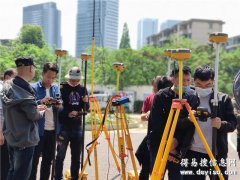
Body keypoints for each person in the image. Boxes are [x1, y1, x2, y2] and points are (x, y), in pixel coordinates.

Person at [182, 65, 237, 180]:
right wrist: (188, 120)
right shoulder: (188, 98)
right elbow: (177, 124)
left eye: (207, 85)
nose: (203, 88)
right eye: (199, 85)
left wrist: (221, 124)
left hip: (216, 152)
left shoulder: (223, 99)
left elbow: (233, 124)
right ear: (193, 81)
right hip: (193, 152)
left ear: (213, 82)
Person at [147, 65, 198, 180]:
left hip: (178, 148)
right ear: (173, 79)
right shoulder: (161, 96)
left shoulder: (191, 98)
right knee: (156, 176)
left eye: (188, 80)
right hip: (159, 145)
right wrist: (168, 145)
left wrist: (176, 142)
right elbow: (156, 124)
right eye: (182, 80)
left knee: (177, 177)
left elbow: (190, 126)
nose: (185, 83)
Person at [0, 57, 46, 180]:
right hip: (25, 140)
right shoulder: (26, 91)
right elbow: (33, 115)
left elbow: (18, 106)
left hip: (11, 137)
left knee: (12, 171)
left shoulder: (8, 85)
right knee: (21, 176)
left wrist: (35, 104)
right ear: (31, 68)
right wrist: (41, 111)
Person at [55, 67, 89, 180]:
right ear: (69, 78)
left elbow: (86, 110)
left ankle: (75, 177)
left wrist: (84, 106)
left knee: (76, 156)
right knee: (60, 155)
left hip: (77, 126)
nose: (75, 82)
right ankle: (58, 177)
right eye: (73, 79)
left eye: (77, 80)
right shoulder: (62, 88)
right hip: (64, 126)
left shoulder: (83, 89)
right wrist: (68, 113)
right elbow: (59, 107)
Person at [136, 76, 173, 180]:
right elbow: (142, 117)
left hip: (171, 140)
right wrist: (149, 114)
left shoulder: (175, 97)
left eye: (155, 85)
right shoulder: (150, 98)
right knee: (149, 168)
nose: (154, 88)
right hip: (154, 138)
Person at [29, 62, 61, 180]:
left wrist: (58, 105)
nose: (50, 80)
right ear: (42, 74)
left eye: (53, 78)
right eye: (48, 77)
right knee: (34, 162)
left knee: (47, 162)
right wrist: (40, 101)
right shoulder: (33, 87)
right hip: (38, 131)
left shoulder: (55, 88)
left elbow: (60, 108)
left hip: (52, 131)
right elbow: (28, 106)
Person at [0, 68, 17, 180]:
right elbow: (1, 112)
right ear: (7, 77)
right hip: (3, 132)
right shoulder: (3, 89)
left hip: (8, 132)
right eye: (15, 78)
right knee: (4, 162)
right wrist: (1, 133)